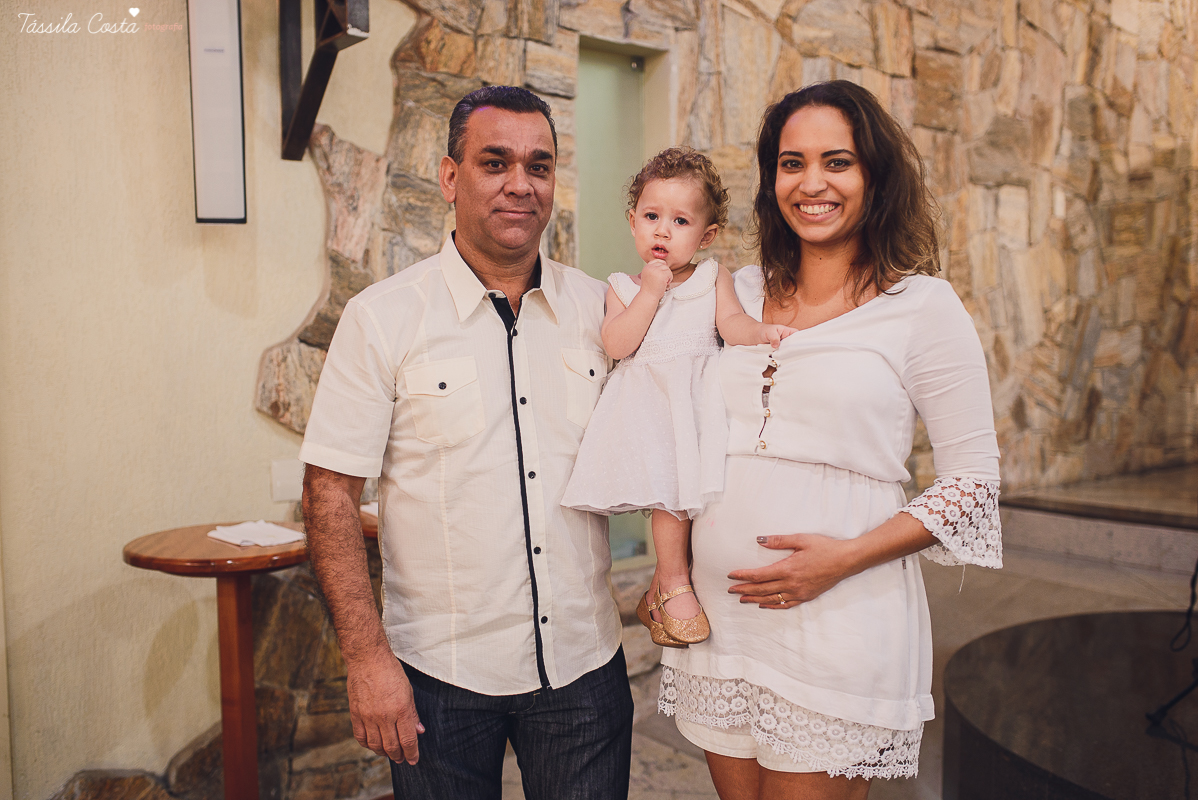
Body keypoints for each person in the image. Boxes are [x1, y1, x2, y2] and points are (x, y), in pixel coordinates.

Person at [658, 81, 1003, 799]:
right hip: (719, 626)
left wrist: (842, 559)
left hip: (841, 621)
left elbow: (973, 482)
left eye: (836, 162)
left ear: (873, 177)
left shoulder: (921, 308)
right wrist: (671, 573)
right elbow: (669, 428)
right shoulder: (733, 293)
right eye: (791, 163)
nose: (811, 183)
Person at [299, 85, 633, 800]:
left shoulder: (603, 313)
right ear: (451, 178)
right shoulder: (382, 318)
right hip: (438, 679)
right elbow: (329, 494)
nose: (521, 184)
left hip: (583, 669)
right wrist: (365, 658)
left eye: (539, 166)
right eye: (495, 162)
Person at [561, 147, 794, 648]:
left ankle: (658, 591)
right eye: (651, 217)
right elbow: (618, 345)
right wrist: (650, 292)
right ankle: (672, 580)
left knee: (700, 502)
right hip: (651, 409)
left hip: (699, 404)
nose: (662, 231)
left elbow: (730, 325)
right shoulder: (623, 286)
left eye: (680, 220)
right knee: (671, 496)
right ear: (633, 222)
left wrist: (760, 331)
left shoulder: (713, 277)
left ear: (705, 236)